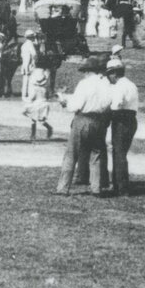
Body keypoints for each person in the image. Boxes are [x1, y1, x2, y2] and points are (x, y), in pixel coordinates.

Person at [56, 56, 114, 195]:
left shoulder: (84, 84)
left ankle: (63, 188)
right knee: (96, 154)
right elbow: (108, 103)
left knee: (71, 154)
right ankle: (96, 187)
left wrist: (65, 102)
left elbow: (75, 105)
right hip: (99, 120)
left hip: (83, 119)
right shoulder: (106, 84)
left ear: (88, 71)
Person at [105, 58, 140, 195]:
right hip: (131, 119)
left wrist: (108, 113)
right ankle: (119, 184)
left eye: (109, 74)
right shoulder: (131, 84)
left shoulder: (120, 86)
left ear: (114, 73)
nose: (109, 77)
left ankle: (121, 187)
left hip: (121, 119)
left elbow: (117, 104)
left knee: (118, 153)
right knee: (121, 152)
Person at [19, 31, 40, 100]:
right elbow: (34, 54)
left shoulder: (24, 45)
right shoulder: (30, 44)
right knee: (31, 80)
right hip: (30, 64)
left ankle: (24, 95)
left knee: (25, 80)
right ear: (32, 37)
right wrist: (35, 61)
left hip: (24, 64)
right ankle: (30, 95)